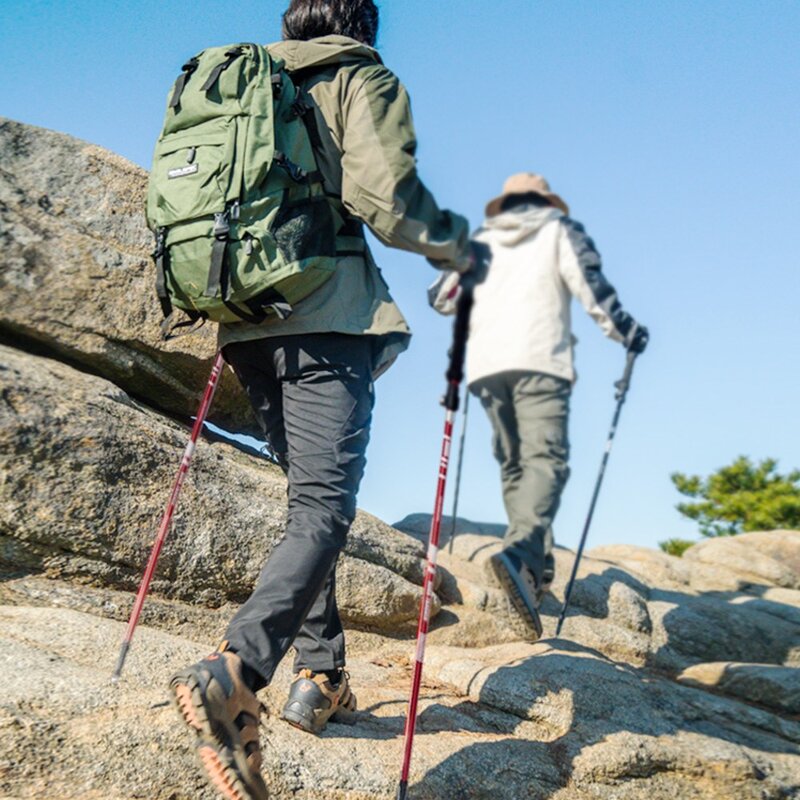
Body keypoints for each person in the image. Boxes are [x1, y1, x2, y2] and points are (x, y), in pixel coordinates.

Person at [168, 3, 474, 798]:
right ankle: (236, 674)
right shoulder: (355, 73)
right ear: (363, 22)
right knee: (325, 510)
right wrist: (459, 249)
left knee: (308, 504)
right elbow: (387, 194)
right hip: (325, 317)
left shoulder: (242, 76)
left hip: (244, 322)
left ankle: (323, 675)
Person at [431, 172, 648, 641]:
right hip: (540, 361)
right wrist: (628, 332)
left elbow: (441, 298)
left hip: (487, 367)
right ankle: (523, 556)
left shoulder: (481, 239)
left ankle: (536, 567)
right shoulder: (559, 230)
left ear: (505, 205)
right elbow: (592, 290)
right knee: (546, 461)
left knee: (514, 464)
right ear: (545, 200)